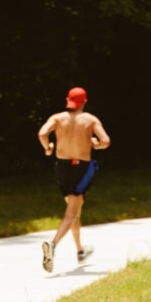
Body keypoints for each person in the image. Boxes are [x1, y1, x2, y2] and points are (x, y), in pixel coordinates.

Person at [37, 87, 111, 272]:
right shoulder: (90, 120)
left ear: (68, 100)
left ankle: (80, 251)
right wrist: (97, 144)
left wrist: (48, 148)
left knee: (74, 209)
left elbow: (42, 133)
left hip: (61, 167)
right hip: (81, 168)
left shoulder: (57, 118)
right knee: (71, 213)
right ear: (84, 101)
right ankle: (52, 245)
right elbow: (106, 141)